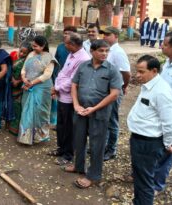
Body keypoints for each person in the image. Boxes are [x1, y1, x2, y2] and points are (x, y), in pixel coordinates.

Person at [63, 39, 122, 188]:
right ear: (92, 51)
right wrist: (76, 104)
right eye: (101, 51)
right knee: (79, 139)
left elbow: (115, 94)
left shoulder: (112, 69)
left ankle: (93, 175)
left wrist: (94, 108)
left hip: (99, 113)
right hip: (80, 110)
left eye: (107, 51)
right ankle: (78, 166)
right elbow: (74, 84)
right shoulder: (83, 66)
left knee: (97, 144)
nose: (104, 54)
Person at [127, 55, 172, 205]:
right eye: (137, 71)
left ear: (154, 71)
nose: (137, 75)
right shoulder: (149, 84)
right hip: (140, 139)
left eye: (141, 72)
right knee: (140, 179)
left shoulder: (161, 91)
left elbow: (169, 122)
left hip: (148, 143)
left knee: (145, 182)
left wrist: (167, 144)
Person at [52, 33, 91, 165]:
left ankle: (68, 155)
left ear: (73, 45)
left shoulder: (83, 58)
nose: (64, 45)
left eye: (66, 43)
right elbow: (63, 72)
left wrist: (58, 88)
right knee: (61, 125)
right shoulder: (71, 54)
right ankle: (61, 149)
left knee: (69, 128)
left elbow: (73, 80)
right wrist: (56, 86)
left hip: (70, 98)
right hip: (61, 95)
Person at [17, 36, 57, 145]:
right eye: (32, 46)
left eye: (36, 46)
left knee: (41, 111)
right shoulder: (30, 54)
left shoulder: (49, 58)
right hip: (28, 86)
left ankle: (40, 136)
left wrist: (31, 83)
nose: (33, 48)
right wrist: (24, 79)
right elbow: (24, 69)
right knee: (27, 110)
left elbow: (47, 75)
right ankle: (26, 137)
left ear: (43, 46)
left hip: (42, 88)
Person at [100, 26, 131, 161]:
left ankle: (111, 149)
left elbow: (126, 73)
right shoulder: (108, 51)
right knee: (104, 119)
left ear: (116, 36)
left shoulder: (118, 52)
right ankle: (104, 146)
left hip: (114, 90)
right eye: (104, 35)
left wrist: (122, 87)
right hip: (104, 90)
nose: (104, 37)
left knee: (112, 120)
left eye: (108, 34)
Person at [154, 31, 172, 194]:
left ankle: (157, 184)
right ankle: (150, 177)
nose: (162, 46)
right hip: (159, 113)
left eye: (165, 44)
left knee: (168, 150)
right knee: (158, 146)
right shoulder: (167, 63)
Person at [51, 26, 77, 130]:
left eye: (69, 33)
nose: (66, 35)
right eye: (65, 33)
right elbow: (56, 61)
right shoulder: (60, 46)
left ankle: (70, 125)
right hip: (60, 77)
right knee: (60, 102)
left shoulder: (78, 48)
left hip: (72, 79)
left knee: (70, 102)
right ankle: (59, 123)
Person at [7, 42, 32, 136]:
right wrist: (12, 78)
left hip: (21, 88)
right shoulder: (16, 59)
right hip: (12, 85)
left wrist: (19, 81)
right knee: (13, 106)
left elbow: (29, 76)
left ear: (28, 54)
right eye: (20, 51)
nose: (21, 54)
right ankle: (11, 126)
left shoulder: (28, 62)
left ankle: (17, 129)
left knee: (19, 108)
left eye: (24, 53)